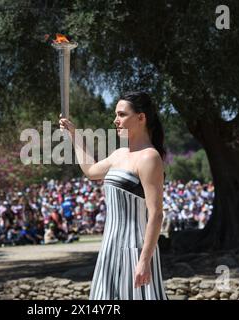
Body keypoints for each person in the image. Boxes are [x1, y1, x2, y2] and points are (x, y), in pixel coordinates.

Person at [60, 91, 168, 300]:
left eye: (121, 114)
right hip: (110, 247)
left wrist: (144, 260)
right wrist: (74, 134)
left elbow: (156, 215)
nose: (115, 120)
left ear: (141, 117)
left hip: (134, 251)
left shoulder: (149, 158)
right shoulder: (119, 154)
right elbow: (91, 171)